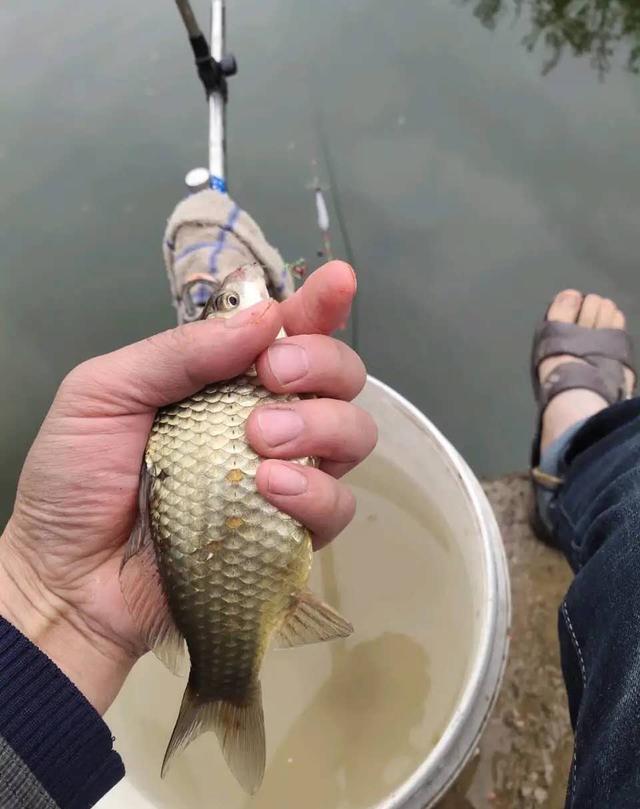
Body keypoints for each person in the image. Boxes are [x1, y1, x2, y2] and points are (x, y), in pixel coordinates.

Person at [0, 261, 377, 808]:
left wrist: (45, 597)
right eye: (228, 303)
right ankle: (226, 688)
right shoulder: (194, 388)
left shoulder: (226, 384)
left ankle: (221, 687)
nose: (242, 289)